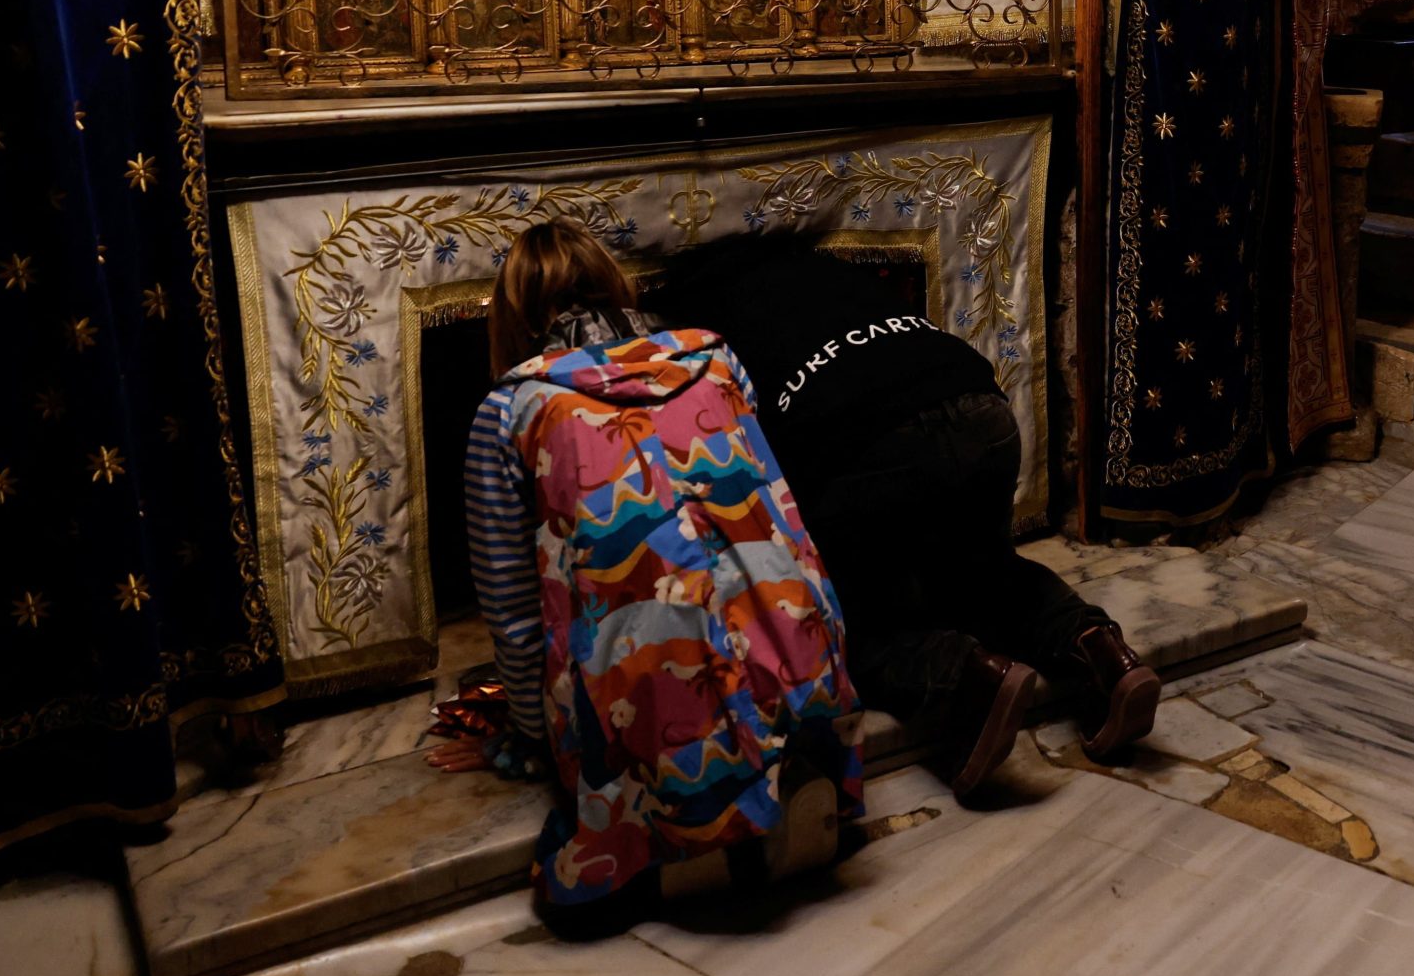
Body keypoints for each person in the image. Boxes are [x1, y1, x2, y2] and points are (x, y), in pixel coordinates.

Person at [427, 221, 862, 930]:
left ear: (512, 317)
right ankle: (792, 762)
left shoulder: (509, 408)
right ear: (614, 282)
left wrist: (527, 736)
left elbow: (512, 610)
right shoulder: (716, 354)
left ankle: (679, 840)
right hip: (802, 640)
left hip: (652, 690)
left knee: (568, 903)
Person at [646, 231, 1159, 800]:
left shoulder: (701, 329)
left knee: (840, 622)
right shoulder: (828, 269)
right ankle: (1100, 650)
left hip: (870, 443)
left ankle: (965, 679)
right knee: (986, 572)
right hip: (979, 408)